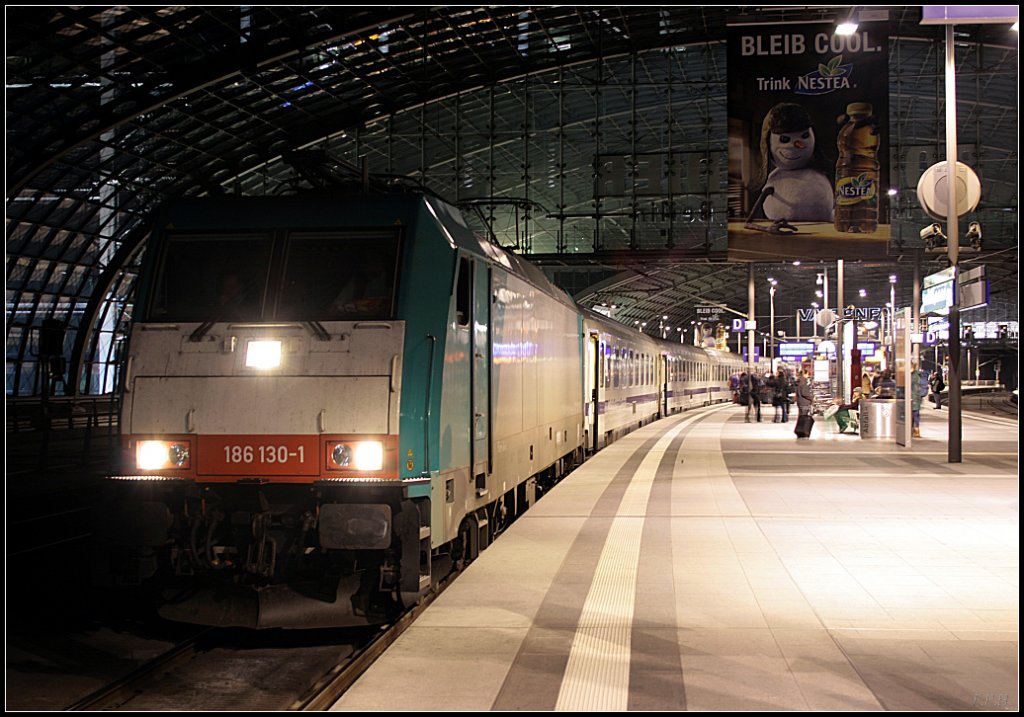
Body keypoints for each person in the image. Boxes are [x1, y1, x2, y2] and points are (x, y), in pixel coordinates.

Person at [794, 363, 814, 438]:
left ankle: (800, 430)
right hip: (804, 402)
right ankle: (803, 430)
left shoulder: (799, 381)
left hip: (800, 402)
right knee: (804, 417)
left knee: (801, 417)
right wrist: (811, 398)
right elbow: (804, 393)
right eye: (808, 374)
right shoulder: (804, 382)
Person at [910, 360, 926, 438]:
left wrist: (920, 395)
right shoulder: (908, 375)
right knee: (911, 415)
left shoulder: (917, 375)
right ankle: (912, 429)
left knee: (915, 414)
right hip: (910, 398)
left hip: (915, 398)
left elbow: (923, 386)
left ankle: (916, 430)